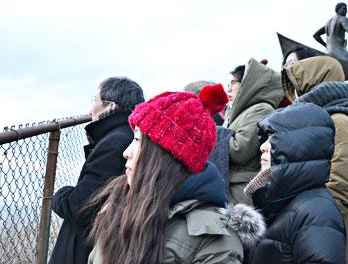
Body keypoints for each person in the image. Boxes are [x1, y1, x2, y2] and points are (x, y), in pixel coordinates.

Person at [86, 91, 266, 264]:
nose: (127, 152)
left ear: (166, 155)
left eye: (138, 140)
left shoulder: (213, 239)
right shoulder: (118, 206)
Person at [49, 77, 145, 264]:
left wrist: (58, 196)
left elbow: (81, 206)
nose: (90, 109)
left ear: (110, 106)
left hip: (85, 251)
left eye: (95, 101)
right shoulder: (128, 136)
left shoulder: (114, 144)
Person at [282, 51, 348, 264]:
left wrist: (310, 215)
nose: (296, 97)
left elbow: (343, 187)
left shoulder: (338, 121)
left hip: (335, 225)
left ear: (314, 84)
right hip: (318, 223)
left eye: (300, 89)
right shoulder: (314, 121)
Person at [245, 103, 346, 264]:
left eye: (274, 139)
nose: (263, 147)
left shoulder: (317, 212)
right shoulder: (279, 200)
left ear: (299, 148)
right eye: (265, 139)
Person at [223, 59, 283, 204]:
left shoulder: (261, 109)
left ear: (247, 84)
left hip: (242, 192)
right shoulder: (238, 112)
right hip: (232, 187)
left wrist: (212, 135)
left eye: (233, 82)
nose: (229, 89)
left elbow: (240, 150)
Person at [313, 2, 348, 79]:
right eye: (344, 9)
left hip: (329, 53)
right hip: (340, 53)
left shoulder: (328, 22)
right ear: (338, 9)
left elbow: (316, 35)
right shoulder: (342, 19)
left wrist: (326, 46)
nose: (346, 11)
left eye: (346, 10)